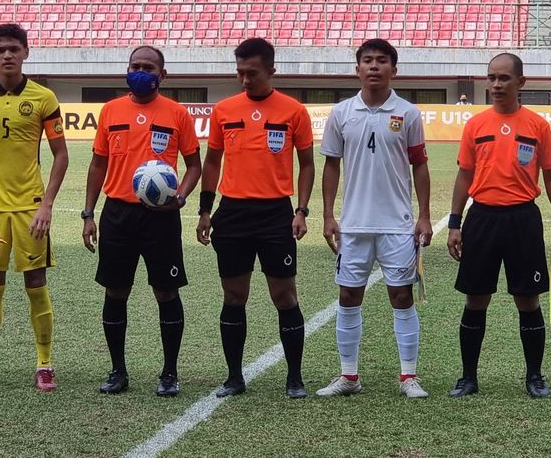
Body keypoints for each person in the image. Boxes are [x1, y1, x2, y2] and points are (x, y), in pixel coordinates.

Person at [196, 38, 314, 399]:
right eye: (239, 72)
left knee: (285, 296)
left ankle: (294, 378)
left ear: (271, 70)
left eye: (252, 73)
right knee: (234, 296)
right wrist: (205, 209)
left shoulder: (294, 111)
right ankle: (234, 377)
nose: (244, 80)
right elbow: (213, 161)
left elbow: (307, 164)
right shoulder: (224, 110)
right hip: (232, 212)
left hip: (276, 212)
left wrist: (302, 210)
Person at [83, 45, 201, 397]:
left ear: (163, 75)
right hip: (118, 213)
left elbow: (194, 165)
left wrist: (180, 198)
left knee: (166, 291)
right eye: (135, 66)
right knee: (115, 291)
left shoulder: (177, 114)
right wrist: (89, 214)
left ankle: (169, 373)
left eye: (149, 67)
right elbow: (97, 165)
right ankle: (118, 371)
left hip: (161, 218)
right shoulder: (110, 110)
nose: (141, 71)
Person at [317, 38, 432, 398]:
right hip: (352, 225)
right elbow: (331, 165)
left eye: (382, 61)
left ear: (393, 70)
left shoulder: (408, 113)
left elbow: (420, 166)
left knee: (401, 297)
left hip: (397, 224)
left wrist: (425, 216)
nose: (374, 67)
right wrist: (328, 215)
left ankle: (408, 377)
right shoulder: (341, 113)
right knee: (349, 296)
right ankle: (349, 377)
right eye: (367, 61)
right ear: (357, 69)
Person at [0, 23, 69, 392]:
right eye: (1, 49)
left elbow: (61, 155)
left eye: (14, 49)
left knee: (36, 284)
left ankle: (45, 365)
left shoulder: (43, 98)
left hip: (30, 207)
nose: (7, 55)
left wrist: (47, 206)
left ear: (26, 52)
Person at [447, 53, 550, 398]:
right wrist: (454, 223)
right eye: (491, 78)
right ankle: (468, 377)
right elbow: (464, 175)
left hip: (523, 218)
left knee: (528, 299)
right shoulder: (475, 126)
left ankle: (534, 377)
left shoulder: (539, 126)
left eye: (504, 78)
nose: (496, 84)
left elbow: (549, 178)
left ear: (521, 83)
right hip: (482, 219)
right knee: (476, 299)